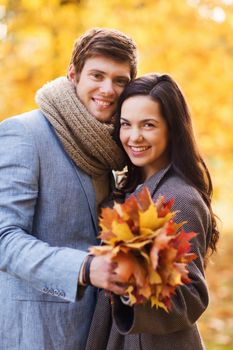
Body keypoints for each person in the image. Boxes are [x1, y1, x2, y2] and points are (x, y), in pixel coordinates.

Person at [0, 27, 137, 350]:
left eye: (120, 80)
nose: (108, 89)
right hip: (35, 335)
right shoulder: (24, 134)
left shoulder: (110, 149)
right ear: (73, 74)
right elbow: (4, 238)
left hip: (97, 333)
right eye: (97, 75)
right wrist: (85, 268)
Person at [85, 73, 219, 350]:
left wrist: (127, 281)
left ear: (172, 129)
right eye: (126, 124)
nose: (134, 137)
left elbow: (191, 295)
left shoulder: (177, 198)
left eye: (148, 125)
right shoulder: (129, 188)